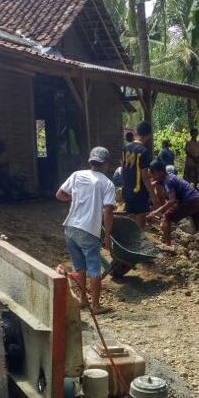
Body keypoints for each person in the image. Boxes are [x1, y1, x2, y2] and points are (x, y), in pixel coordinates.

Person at [56, 147, 116, 314]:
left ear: (91, 162)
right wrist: (108, 235)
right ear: (106, 164)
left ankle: (83, 300)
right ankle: (96, 306)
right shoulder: (107, 183)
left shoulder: (77, 175)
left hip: (70, 227)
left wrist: (72, 198)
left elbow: (59, 195)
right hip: (89, 230)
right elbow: (108, 211)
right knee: (94, 268)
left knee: (79, 266)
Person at [147, 158, 199, 250]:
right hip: (198, 201)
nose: (151, 176)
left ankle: (168, 245)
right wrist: (151, 184)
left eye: (153, 173)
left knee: (166, 218)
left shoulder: (168, 181)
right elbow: (156, 182)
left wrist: (155, 212)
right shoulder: (169, 176)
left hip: (189, 202)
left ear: (160, 172)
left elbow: (171, 201)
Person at [121, 120, 155, 228]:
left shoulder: (125, 148)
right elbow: (145, 177)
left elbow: (123, 170)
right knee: (139, 228)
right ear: (148, 135)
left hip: (127, 190)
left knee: (130, 226)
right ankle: (138, 244)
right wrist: (153, 196)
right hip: (139, 192)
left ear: (136, 132)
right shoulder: (143, 151)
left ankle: (129, 244)